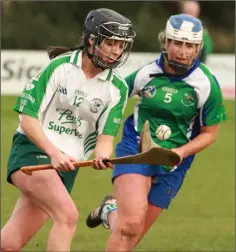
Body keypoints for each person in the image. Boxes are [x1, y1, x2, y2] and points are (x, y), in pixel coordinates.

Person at [85, 14, 226, 252]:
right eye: (177, 43)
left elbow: (209, 133)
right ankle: (114, 211)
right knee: (129, 224)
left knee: (132, 234)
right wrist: (102, 142)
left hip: (174, 163)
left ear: (198, 48)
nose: (183, 51)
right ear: (165, 43)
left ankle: (110, 210)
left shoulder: (206, 85)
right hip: (136, 151)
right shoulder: (145, 74)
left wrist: (180, 151)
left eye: (190, 45)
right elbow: (111, 100)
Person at [1, 8, 135, 252]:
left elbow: (105, 137)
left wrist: (101, 155)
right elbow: (27, 117)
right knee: (67, 216)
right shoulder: (60, 68)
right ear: (91, 41)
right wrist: (53, 152)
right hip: (33, 154)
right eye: (111, 43)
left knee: (9, 243)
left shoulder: (118, 88)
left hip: (68, 168)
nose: (117, 50)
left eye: (121, 45)